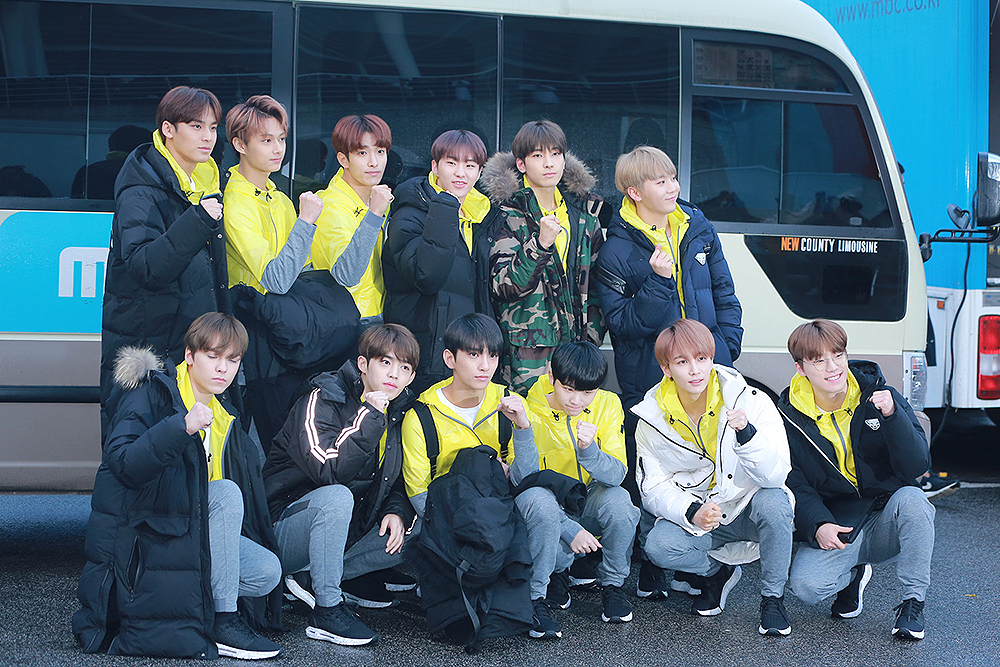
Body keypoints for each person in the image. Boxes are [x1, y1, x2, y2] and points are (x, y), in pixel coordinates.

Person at [74, 313, 283, 660]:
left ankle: (207, 606)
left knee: (266, 571)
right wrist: (180, 427)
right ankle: (223, 622)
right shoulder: (151, 393)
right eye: (213, 356)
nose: (223, 368)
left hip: (190, 528)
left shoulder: (225, 415)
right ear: (189, 355)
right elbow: (123, 464)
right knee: (226, 493)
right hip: (147, 531)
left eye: (232, 360)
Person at [594, 145, 743, 595]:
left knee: (708, 459)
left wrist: (725, 347)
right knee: (654, 468)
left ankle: (697, 557)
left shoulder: (697, 227)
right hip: (649, 376)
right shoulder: (616, 249)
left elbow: (724, 291)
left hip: (707, 367)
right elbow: (621, 324)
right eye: (660, 181)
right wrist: (658, 283)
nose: (672, 187)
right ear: (634, 191)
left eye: (673, 177)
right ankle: (656, 562)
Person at [634, 319, 794, 636]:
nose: (695, 370)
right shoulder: (650, 419)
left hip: (748, 506)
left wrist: (746, 436)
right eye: (683, 362)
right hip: (705, 514)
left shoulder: (751, 401)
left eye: (702, 359)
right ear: (667, 369)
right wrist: (691, 510)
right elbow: (652, 487)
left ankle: (773, 599)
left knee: (776, 503)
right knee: (657, 545)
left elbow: (776, 475)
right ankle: (717, 572)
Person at [263, 324, 420, 646]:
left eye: (404, 367)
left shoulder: (402, 411)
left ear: (411, 377)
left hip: (347, 528)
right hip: (285, 526)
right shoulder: (323, 397)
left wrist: (397, 511)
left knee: (427, 512)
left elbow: (403, 478)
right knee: (335, 496)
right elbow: (328, 471)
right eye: (386, 363)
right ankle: (327, 608)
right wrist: (369, 416)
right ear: (363, 365)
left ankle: (331, 577)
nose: (394, 374)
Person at [778, 319, 935, 641]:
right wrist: (817, 524)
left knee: (915, 501)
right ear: (800, 367)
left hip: (886, 514)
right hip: (840, 521)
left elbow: (917, 465)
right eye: (818, 360)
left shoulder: (880, 396)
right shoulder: (786, 417)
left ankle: (912, 603)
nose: (832, 367)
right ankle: (853, 575)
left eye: (838, 355)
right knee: (806, 587)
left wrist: (893, 418)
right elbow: (795, 482)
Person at [100, 86, 230, 415]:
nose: (208, 137)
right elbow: (147, 267)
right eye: (196, 126)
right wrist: (198, 219)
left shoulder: (204, 184)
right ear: (168, 130)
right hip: (153, 348)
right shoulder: (140, 189)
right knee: (143, 448)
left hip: (190, 345)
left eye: (213, 127)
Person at [520, 341, 640, 637]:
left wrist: (589, 451)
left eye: (588, 392)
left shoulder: (609, 404)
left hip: (587, 496)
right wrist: (569, 529)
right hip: (549, 505)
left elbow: (617, 473)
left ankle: (612, 585)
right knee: (541, 505)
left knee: (621, 503)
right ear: (551, 376)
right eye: (569, 389)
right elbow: (523, 481)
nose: (577, 400)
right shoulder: (527, 406)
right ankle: (537, 595)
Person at [479, 119, 605, 394]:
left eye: (555, 154)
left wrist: (590, 340)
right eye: (538, 155)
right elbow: (503, 285)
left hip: (576, 354)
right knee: (527, 427)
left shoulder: (583, 216)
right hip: (527, 355)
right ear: (522, 164)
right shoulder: (505, 214)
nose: (549, 163)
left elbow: (596, 287)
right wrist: (540, 244)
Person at [382, 129, 504, 394]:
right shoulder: (411, 212)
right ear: (435, 167)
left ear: (480, 171)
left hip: (467, 353)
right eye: (452, 163)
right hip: (424, 352)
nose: (461, 173)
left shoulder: (484, 215)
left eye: (470, 165)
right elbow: (426, 276)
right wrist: (446, 205)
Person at [400, 313, 537, 519]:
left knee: (540, 502)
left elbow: (525, 479)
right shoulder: (421, 416)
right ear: (449, 359)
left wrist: (523, 429)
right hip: (449, 517)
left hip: (503, 510)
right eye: (474, 354)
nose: (486, 366)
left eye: (492, 355)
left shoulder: (511, 403)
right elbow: (420, 494)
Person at [223, 94, 322, 295]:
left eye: (281, 139)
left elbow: (303, 269)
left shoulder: (280, 199)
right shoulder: (234, 203)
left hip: (280, 315)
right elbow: (277, 280)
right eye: (267, 140)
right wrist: (305, 221)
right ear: (240, 145)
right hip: (249, 314)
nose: (278, 149)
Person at [310, 114, 394, 324]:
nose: (374, 162)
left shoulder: (378, 199)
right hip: (349, 321)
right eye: (362, 153)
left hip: (380, 314)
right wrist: (374, 216)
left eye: (380, 152)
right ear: (343, 159)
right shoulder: (328, 206)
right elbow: (346, 274)